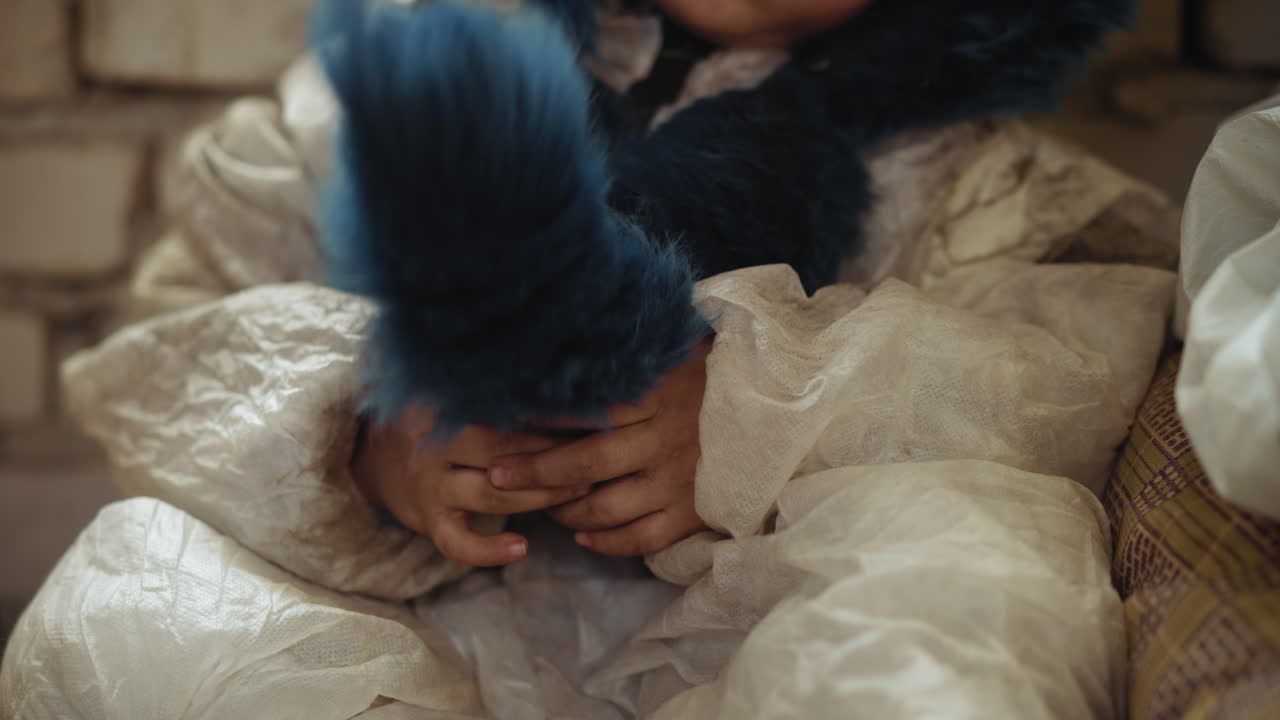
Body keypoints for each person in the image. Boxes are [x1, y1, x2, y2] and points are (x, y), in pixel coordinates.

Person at [342, 0, 1134, 567]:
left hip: (758, 611)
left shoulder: (975, 178)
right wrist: (367, 433)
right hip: (443, 611)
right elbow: (267, 296)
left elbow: (1055, 393)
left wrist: (758, 418)